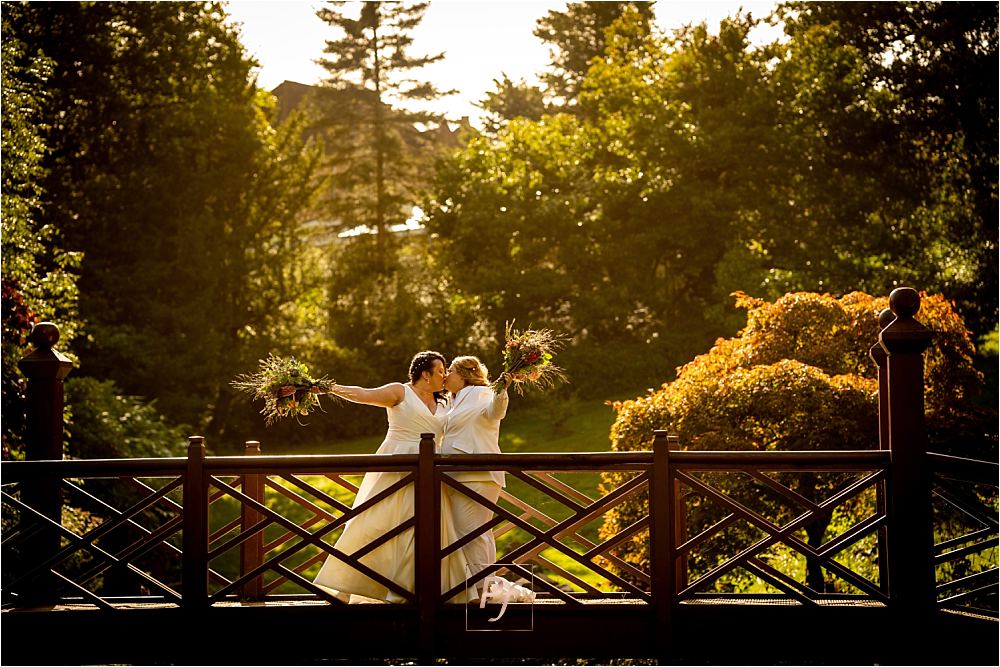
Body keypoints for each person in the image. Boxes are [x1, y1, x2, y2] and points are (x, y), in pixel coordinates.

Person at [312, 351, 474, 603]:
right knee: (377, 522)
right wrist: (325, 388)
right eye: (441, 371)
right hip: (398, 462)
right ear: (425, 373)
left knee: (429, 526)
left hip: (430, 469)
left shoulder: (446, 402)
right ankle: (345, 586)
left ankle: (423, 589)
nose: (444, 376)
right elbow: (364, 395)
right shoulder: (400, 392)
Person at [440, 356, 510, 594]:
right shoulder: (451, 399)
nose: (446, 375)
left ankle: (483, 591)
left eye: (449, 370)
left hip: (477, 474)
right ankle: (482, 588)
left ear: (463, 374)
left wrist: (502, 390)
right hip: (456, 475)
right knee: (476, 533)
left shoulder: (481, 392)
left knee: (473, 533)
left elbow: (495, 411)